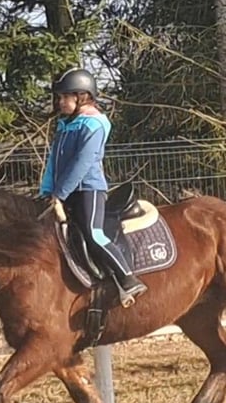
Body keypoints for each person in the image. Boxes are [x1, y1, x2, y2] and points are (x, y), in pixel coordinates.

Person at [39, 67, 148, 301]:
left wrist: (60, 193)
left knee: (93, 233)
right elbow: (52, 162)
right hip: (62, 191)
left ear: (82, 96)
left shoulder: (95, 124)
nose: (60, 102)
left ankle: (127, 279)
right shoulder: (65, 125)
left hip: (89, 190)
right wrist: (46, 191)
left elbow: (83, 161)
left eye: (65, 97)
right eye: (59, 97)